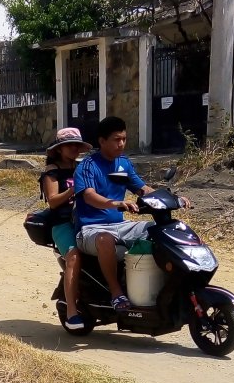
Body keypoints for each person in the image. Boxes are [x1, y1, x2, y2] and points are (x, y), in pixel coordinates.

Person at [74, 116, 189, 310]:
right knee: (105, 240)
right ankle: (116, 293)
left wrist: (174, 198)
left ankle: (168, 286)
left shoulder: (124, 164)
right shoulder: (87, 166)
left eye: (124, 139)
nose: (121, 144)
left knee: (161, 230)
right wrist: (116, 203)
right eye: (116, 139)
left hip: (121, 225)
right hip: (91, 229)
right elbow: (89, 196)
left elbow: (142, 189)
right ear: (102, 141)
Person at [40, 128, 91, 328]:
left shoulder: (83, 167)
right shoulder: (51, 171)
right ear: (59, 149)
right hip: (62, 223)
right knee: (74, 256)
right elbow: (52, 202)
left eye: (77, 145)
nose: (74, 148)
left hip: (86, 220)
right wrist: (73, 188)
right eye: (70, 145)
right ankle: (71, 312)